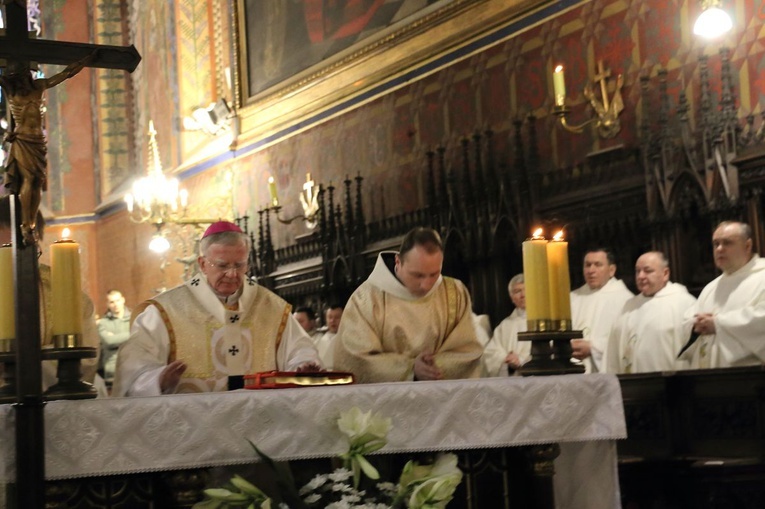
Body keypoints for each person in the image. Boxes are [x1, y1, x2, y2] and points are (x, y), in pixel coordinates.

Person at [113, 221, 321, 396]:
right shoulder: (165, 311)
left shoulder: (271, 307)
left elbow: (300, 351)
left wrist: (302, 367)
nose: (232, 274)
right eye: (222, 266)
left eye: (239, 265)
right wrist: (158, 379)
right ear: (202, 264)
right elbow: (133, 371)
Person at [333, 227, 483, 383]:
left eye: (434, 274)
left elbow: (467, 349)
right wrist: (410, 369)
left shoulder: (454, 292)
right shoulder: (366, 299)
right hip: (389, 401)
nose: (426, 285)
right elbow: (355, 358)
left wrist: (432, 367)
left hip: (443, 397)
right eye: (417, 275)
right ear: (398, 261)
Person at [0, 194, 99, 391]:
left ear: (35, 244)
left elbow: (83, 366)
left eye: (10, 249)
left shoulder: (69, 297)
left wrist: (16, 364)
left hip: (51, 409)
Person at [0, 54, 95, 244]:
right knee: (29, 179)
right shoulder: (11, 91)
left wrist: (85, 60)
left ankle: (31, 223)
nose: (27, 77)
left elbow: (65, 73)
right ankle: (26, 224)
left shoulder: (39, 86)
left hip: (38, 140)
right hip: (22, 140)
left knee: (37, 181)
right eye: (22, 74)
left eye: (28, 73)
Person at [680, 221, 765, 369]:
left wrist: (718, 324)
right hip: (709, 379)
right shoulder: (711, 288)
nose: (719, 249)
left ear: (747, 246)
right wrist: (695, 325)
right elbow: (689, 320)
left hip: (749, 378)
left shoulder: (761, 277)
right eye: (715, 244)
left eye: (727, 243)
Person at [606, 252, 696, 374]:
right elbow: (613, 350)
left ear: (665, 273)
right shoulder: (629, 306)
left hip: (670, 385)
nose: (641, 276)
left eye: (648, 271)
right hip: (631, 385)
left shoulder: (684, 303)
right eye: (638, 271)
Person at [570, 247, 634, 373]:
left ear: (611, 270)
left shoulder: (625, 300)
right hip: (573, 370)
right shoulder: (573, 297)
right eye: (587, 265)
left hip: (606, 373)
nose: (591, 270)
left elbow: (627, 341)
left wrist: (593, 348)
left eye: (598, 265)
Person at [482, 274, 530, 377]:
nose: (523, 295)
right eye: (517, 291)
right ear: (512, 298)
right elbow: (490, 353)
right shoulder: (505, 326)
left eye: (526, 289)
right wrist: (506, 358)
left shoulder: (543, 323)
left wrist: (521, 360)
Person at [97, 289, 131, 388]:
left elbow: (140, 338)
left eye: (118, 300)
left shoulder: (134, 318)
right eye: (112, 302)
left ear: (123, 300)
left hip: (132, 370)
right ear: (107, 304)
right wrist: (132, 334)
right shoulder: (103, 323)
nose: (115, 304)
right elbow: (109, 341)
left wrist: (116, 337)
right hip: (112, 373)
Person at [314, 304, 343, 369]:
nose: (332, 320)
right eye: (330, 317)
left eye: (337, 317)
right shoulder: (317, 340)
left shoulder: (349, 340)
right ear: (325, 319)